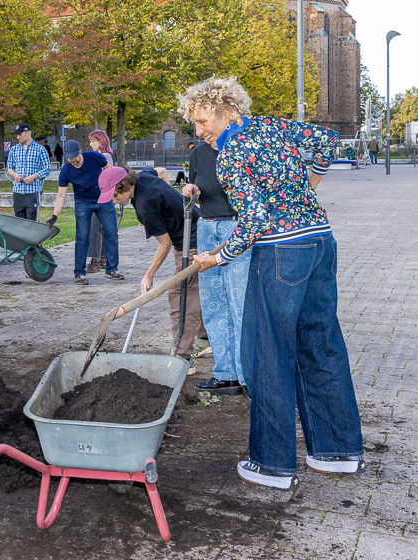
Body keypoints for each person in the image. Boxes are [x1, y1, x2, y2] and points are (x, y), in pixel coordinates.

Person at [179, 75, 364, 490]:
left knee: (268, 353)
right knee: (321, 343)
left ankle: (274, 465)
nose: (198, 130)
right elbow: (328, 138)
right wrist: (311, 182)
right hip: (320, 242)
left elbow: (255, 223)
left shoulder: (230, 157)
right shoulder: (271, 126)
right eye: (194, 122)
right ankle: (337, 452)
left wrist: (216, 257)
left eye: (202, 120)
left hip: (282, 254)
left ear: (225, 111)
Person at [107, 167, 205, 373]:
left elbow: (165, 243)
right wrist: (171, 201)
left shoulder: (145, 205)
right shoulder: (142, 176)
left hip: (190, 242)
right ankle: (204, 338)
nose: (115, 201)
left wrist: (149, 274)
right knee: (198, 289)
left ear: (123, 186)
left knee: (181, 296)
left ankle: (183, 357)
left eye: (115, 196)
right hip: (198, 226)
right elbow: (160, 171)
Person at [183, 141, 250, 394]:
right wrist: (191, 189)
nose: (201, 131)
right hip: (207, 227)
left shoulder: (240, 148)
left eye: (204, 123)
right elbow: (196, 185)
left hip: (236, 229)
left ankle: (247, 376)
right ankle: (225, 373)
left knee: (239, 304)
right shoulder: (198, 153)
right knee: (213, 304)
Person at [48, 139, 122, 284]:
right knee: (82, 237)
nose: (72, 160)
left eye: (74, 156)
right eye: (69, 157)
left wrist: (112, 192)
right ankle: (79, 273)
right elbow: (61, 195)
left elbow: (110, 172)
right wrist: (55, 215)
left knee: (111, 232)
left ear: (80, 151)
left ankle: (112, 269)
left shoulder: (95, 157)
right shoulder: (66, 170)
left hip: (103, 200)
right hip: (83, 203)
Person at [5, 123, 52, 222]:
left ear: (28, 133)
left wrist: (34, 176)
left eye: (20, 134)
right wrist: (15, 175)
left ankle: (33, 237)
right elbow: (9, 168)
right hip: (18, 191)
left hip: (33, 192)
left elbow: (47, 168)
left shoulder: (40, 149)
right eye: (17, 135)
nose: (18, 137)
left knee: (32, 222)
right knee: (19, 222)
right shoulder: (14, 150)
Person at [85, 130, 115, 273]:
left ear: (100, 142)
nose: (90, 144)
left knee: (94, 228)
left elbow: (105, 177)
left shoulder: (104, 156)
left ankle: (95, 260)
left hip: (100, 196)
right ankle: (103, 258)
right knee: (101, 228)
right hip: (102, 196)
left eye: (93, 141)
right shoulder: (105, 156)